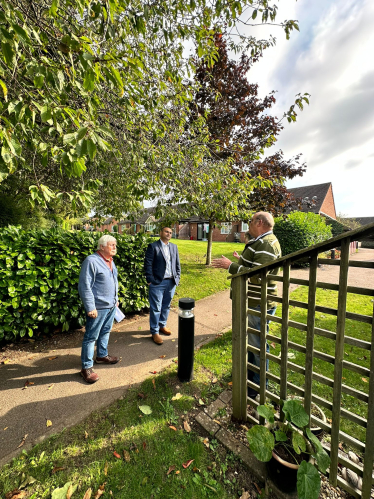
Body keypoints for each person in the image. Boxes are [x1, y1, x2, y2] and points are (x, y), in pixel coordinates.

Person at [212, 212, 281, 398]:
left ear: (259, 222)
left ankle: (258, 388)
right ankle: (250, 377)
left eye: (250, 221)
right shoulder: (262, 241)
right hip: (254, 301)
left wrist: (230, 266)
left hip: (259, 302)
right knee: (253, 343)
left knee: (258, 346)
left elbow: (258, 276)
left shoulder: (267, 244)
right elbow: (253, 267)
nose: (248, 225)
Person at [78, 235, 119, 383]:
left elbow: (114, 282)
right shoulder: (91, 261)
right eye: (111, 245)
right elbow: (84, 286)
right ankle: (86, 367)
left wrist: (116, 299)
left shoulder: (110, 261)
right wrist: (90, 307)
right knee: (90, 337)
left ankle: (102, 355)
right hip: (98, 308)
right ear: (101, 247)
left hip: (111, 306)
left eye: (115, 245)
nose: (115, 247)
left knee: (106, 331)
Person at [144, 226, 181, 345]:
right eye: (166, 231)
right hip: (157, 283)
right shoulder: (153, 246)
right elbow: (148, 264)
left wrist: (177, 277)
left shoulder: (174, 247)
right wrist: (150, 279)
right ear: (161, 232)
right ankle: (154, 332)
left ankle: (162, 325)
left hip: (171, 282)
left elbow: (177, 264)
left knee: (166, 306)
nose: (169, 234)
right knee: (156, 307)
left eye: (171, 232)